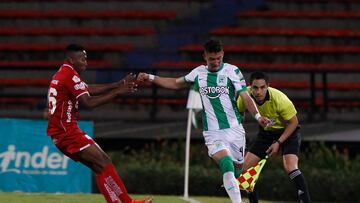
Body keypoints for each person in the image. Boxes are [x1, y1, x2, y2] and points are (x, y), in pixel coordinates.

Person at [137, 39, 269, 203]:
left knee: (238, 173)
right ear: (204, 56)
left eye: (218, 58)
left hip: (235, 130)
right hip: (213, 132)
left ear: (222, 55)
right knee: (226, 163)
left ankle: (250, 197)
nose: (215, 62)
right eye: (211, 59)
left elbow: (246, 97)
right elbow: (175, 83)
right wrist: (150, 77)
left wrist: (258, 116)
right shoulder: (198, 73)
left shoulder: (232, 71)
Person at [46, 44, 152, 203]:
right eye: (82, 59)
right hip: (67, 132)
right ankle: (129, 202)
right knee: (105, 162)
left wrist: (117, 84)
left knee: (99, 168)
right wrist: (117, 92)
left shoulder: (65, 73)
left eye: (86, 59)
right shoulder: (69, 75)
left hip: (62, 133)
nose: (85, 63)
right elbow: (89, 102)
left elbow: (87, 89)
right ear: (71, 59)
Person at [237, 71, 311, 203]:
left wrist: (278, 142)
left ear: (268, 86)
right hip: (266, 133)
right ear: (250, 86)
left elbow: (294, 122)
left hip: (288, 132)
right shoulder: (245, 96)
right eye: (255, 87)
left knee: (290, 166)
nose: (259, 92)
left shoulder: (280, 99)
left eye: (262, 87)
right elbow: (238, 114)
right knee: (245, 170)